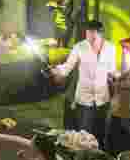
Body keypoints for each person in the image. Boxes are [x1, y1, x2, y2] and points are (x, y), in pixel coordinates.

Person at [48, 20, 118, 151]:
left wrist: (119, 75)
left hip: (103, 98)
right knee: (84, 137)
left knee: (100, 133)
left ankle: (99, 157)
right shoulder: (79, 47)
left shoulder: (110, 48)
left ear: (101, 33)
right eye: (88, 34)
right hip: (84, 100)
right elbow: (67, 68)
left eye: (93, 34)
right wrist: (56, 70)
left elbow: (112, 70)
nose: (90, 38)